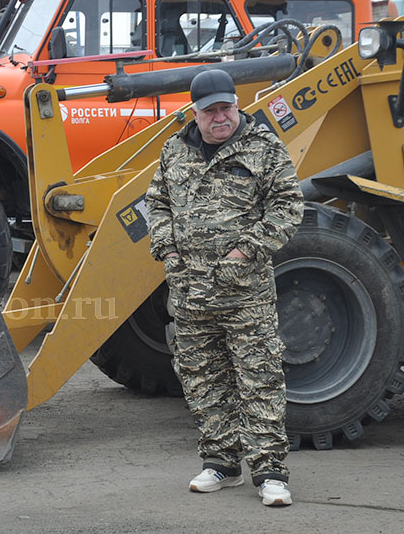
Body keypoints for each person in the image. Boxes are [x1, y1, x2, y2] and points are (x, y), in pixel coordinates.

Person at [145, 69, 303, 507]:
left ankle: (271, 472)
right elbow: (155, 203)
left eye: (226, 108)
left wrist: (246, 251)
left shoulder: (264, 148)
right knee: (201, 379)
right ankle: (222, 463)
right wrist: (168, 249)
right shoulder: (173, 151)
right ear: (194, 113)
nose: (220, 117)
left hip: (245, 294)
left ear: (236, 105)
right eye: (210, 110)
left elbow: (288, 206)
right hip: (190, 293)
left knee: (259, 379)